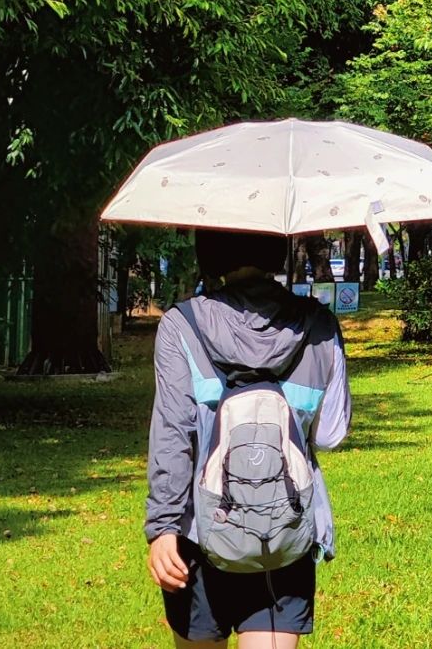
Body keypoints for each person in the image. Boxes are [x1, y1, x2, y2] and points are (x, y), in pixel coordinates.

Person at [146, 227, 351, 647]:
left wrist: (162, 527)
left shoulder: (181, 326)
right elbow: (331, 434)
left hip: (198, 534)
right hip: (285, 532)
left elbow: (172, 435)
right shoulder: (320, 325)